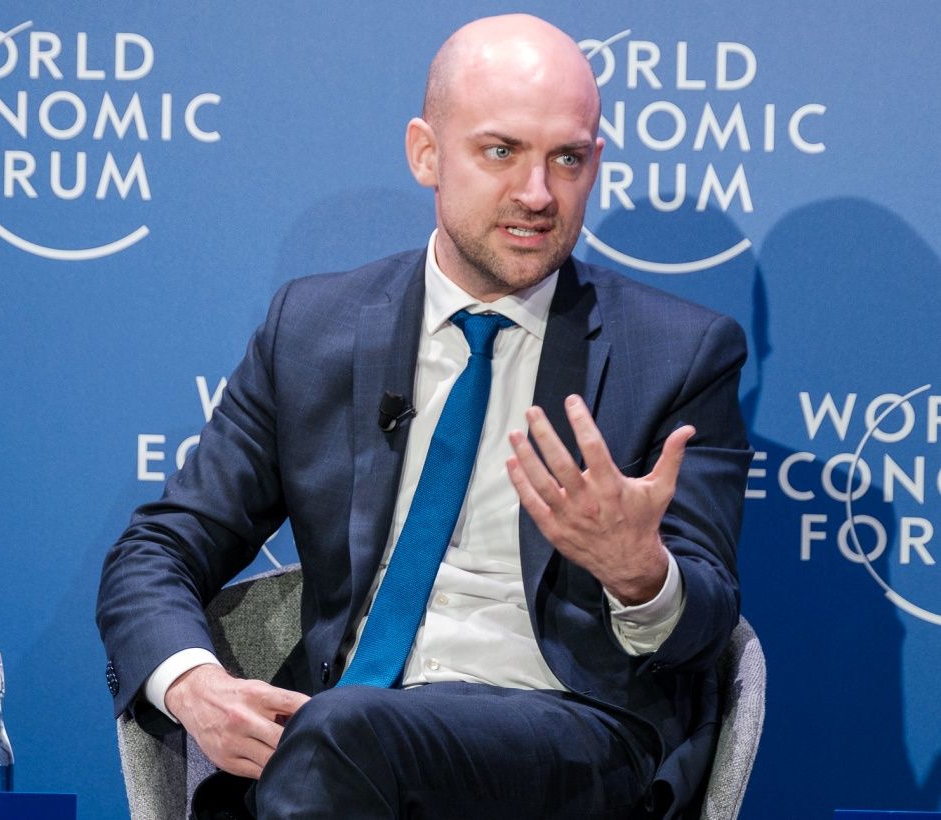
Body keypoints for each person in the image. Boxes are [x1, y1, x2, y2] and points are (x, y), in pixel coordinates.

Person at [97, 13, 750, 819]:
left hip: (568, 742)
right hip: (335, 747)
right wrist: (193, 683)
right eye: (501, 151)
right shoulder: (313, 330)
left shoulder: (679, 353)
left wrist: (640, 575)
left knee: (340, 735)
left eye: (568, 158)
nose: (537, 193)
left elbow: (707, 627)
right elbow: (158, 548)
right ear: (426, 153)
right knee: (338, 737)